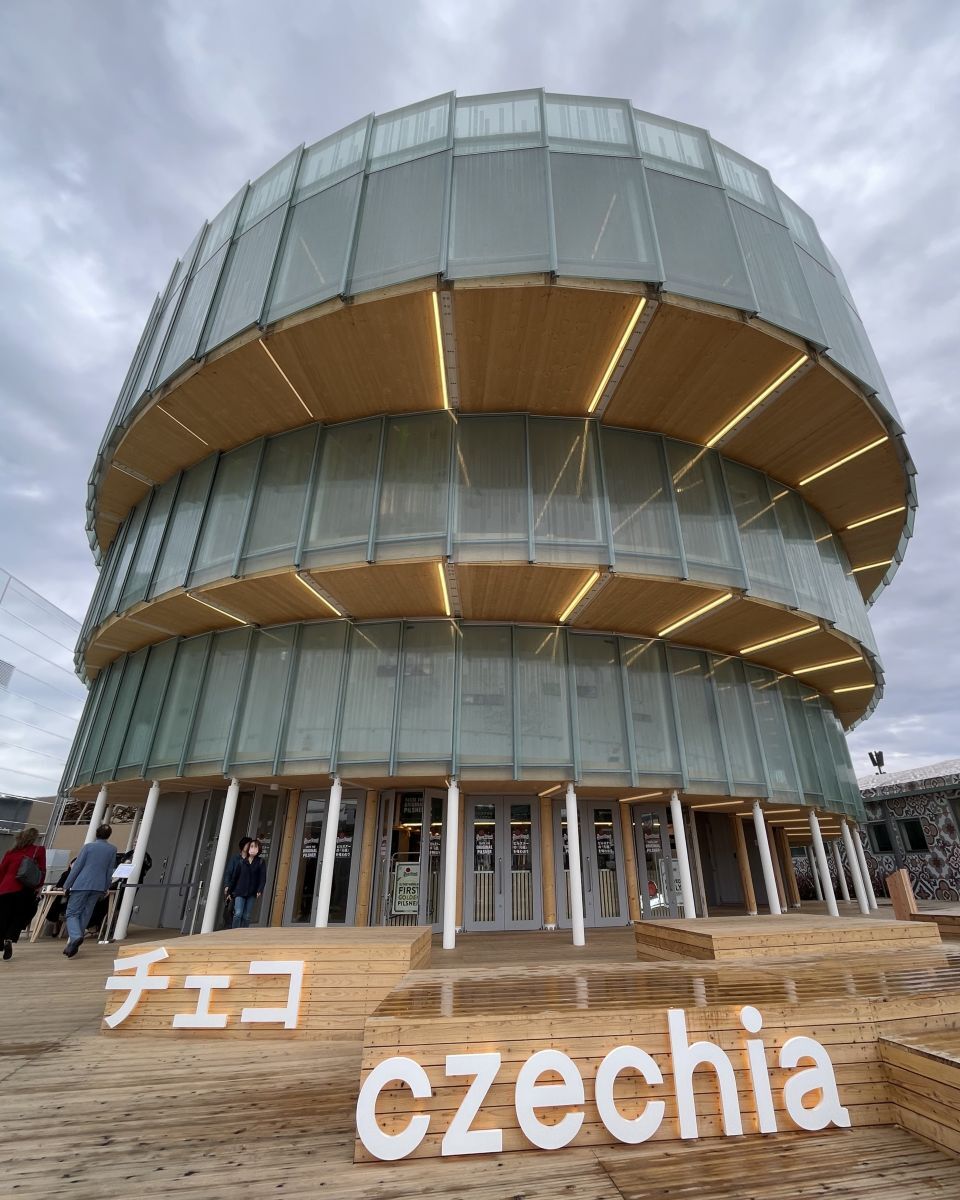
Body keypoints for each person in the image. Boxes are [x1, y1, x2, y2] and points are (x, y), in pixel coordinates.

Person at [61, 824, 118, 958]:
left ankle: (75, 937)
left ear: (96, 833)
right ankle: (73, 945)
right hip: (98, 886)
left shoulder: (88, 847)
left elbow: (77, 866)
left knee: (72, 913)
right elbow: (110, 870)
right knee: (86, 914)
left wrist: (67, 884)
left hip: (82, 883)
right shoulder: (112, 849)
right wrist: (106, 887)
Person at [0, 827, 47, 960]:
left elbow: (2, 871)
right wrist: (39, 886)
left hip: (6, 888)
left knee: (2, 916)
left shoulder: (11, 852)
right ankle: (9, 939)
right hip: (25, 889)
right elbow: (42, 870)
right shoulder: (39, 850)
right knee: (18, 916)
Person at [227, 838, 265, 929]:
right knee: (238, 913)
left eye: (255, 847)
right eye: (251, 846)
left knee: (246, 916)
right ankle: (234, 932)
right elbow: (235, 878)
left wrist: (260, 890)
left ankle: (244, 933)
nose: (253, 849)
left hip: (252, 892)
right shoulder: (242, 862)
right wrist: (229, 892)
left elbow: (263, 878)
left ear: (259, 849)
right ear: (248, 849)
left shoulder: (260, 862)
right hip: (239, 892)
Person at [222, 836, 252, 929]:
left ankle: (241, 931)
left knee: (245, 914)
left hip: (246, 890)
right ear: (242, 845)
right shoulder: (235, 859)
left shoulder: (251, 860)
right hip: (234, 889)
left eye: (250, 845)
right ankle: (231, 929)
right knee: (233, 911)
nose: (248, 847)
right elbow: (229, 873)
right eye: (247, 844)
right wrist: (227, 885)